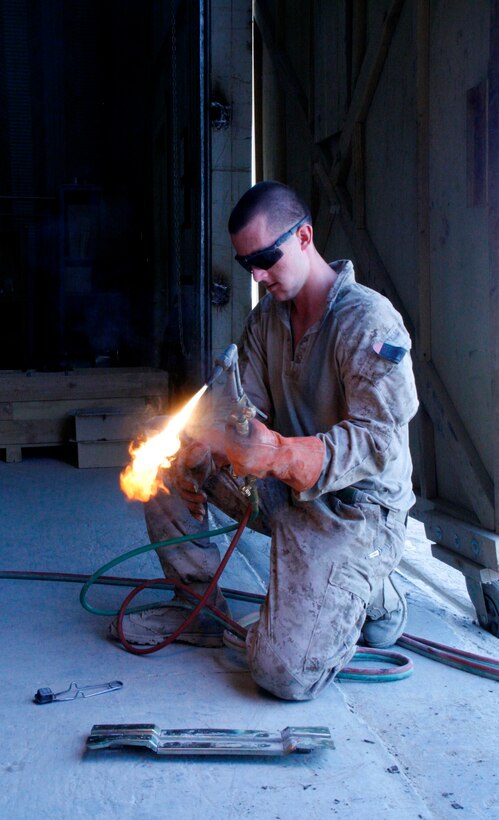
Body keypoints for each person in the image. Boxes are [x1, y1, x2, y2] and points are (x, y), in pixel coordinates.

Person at [110, 181, 419, 701]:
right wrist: (202, 446)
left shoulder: (367, 321)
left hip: (352, 514)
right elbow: (241, 408)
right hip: (283, 493)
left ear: (304, 238)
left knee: (283, 676)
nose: (255, 275)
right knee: (162, 454)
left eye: (264, 258)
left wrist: (278, 452)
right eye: (246, 263)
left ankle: (375, 590)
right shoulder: (267, 319)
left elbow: (379, 442)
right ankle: (198, 609)